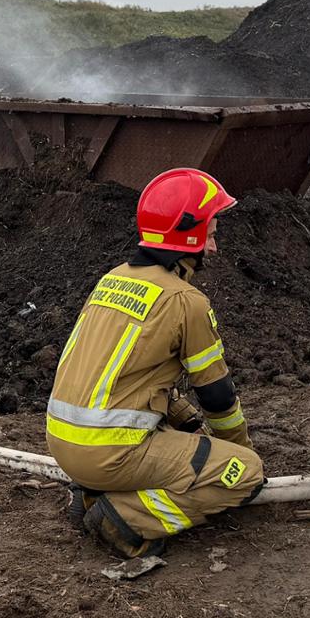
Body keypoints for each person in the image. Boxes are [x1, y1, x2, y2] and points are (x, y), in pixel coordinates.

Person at [47, 168, 265, 558]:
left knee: (176, 443)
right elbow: (217, 395)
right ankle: (127, 517)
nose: (214, 248)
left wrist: (183, 418)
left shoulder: (113, 279)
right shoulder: (185, 300)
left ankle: (93, 491)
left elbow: (125, 373)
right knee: (244, 472)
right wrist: (238, 451)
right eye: (211, 235)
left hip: (63, 443)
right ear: (190, 235)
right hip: (109, 453)